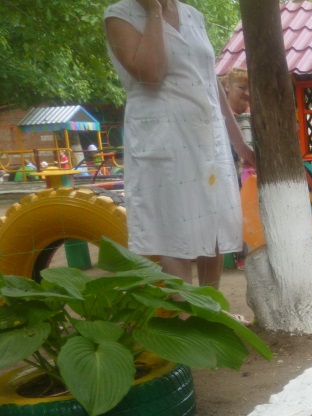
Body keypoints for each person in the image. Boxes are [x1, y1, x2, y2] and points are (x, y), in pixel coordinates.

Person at [104, 0, 255, 300]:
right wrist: (154, 12)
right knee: (175, 235)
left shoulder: (193, 15)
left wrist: (239, 144)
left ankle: (211, 313)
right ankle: (186, 322)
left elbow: (210, 81)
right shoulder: (119, 15)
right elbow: (151, 71)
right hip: (164, 140)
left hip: (206, 139)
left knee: (211, 230)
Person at [222, 67, 253, 270]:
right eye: (241, 87)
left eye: (248, 90)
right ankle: (237, 255)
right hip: (230, 170)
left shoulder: (250, 116)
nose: (246, 93)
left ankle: (248, 255)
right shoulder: (222, 116)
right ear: (227, 87)